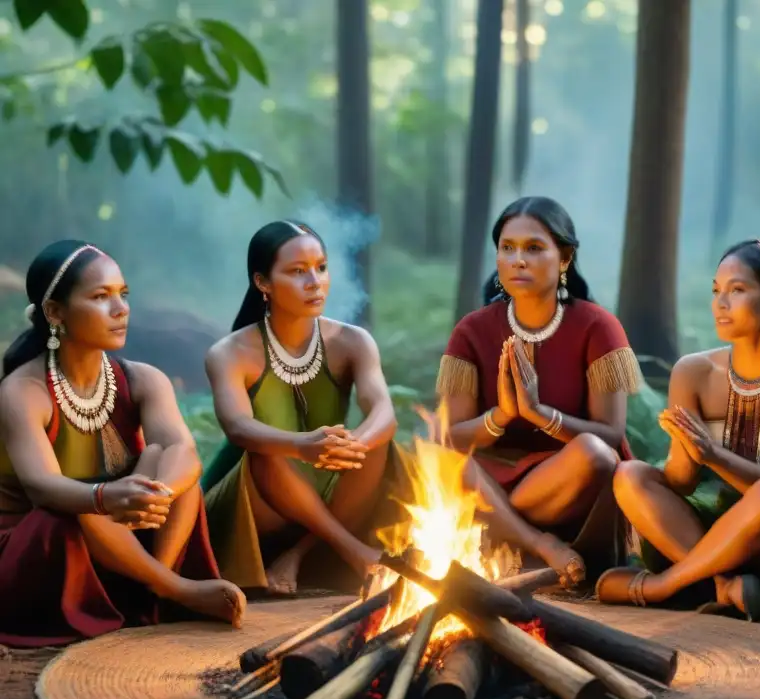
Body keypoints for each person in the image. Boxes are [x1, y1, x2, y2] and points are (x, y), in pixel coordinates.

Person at [595, 239, 760, 617]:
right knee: (630, 475)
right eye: (716, 290)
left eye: (736, 290)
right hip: (717, 528)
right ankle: (724, 586)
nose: (720, 303)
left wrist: (713, 454)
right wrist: (684, 453)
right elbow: (684, 482)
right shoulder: (693, 372)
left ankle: (668, 585)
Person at [0, 241, 245, 648]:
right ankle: (171, 589)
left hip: (120, 541)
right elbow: (42, 486)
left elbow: (183, 451)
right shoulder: (23, 390)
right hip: (39, 550)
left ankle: (149, 586)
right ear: (55, 312)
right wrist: (107, 496)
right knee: (76, 507)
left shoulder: (143, 379)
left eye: (122, 294)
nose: (121, 309)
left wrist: (154, 494)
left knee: (168, 467)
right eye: (100, 297)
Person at [436, 196, 642, 587]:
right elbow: (453, 435)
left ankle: (504, 526)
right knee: (441, 459)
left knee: (596, 453)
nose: (518, 260)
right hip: (490, 475)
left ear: (564, 258)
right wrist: (502, 416)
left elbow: (611, 435)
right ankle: (537, 543)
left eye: (534, 248)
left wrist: (538, 413)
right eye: (507, 248)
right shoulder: (471, 330)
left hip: (562, 482)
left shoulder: (598, 326)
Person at [203, 220, 405, 596]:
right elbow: (238, 428)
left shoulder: (352, 341)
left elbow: (383, 412)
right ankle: (356, 552)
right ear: (263, 283)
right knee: (265, 449)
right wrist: (300, 445)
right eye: (298, 272)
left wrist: (354, 446)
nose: (315, 281)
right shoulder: (230, 353)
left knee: (378, 443)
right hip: (257, 502)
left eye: (321, 267)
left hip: (328, 491)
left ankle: (298, 555)